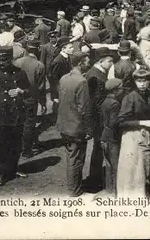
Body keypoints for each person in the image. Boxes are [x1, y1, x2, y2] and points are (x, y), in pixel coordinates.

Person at [0, 46, 31, 186]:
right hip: (0, 117)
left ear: (11, 59)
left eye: (4, 60)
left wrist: (21, 91)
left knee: (16, 145)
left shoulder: (20, 73)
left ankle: (13, 169)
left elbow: (29, 90)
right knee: (2, 147)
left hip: (16, 115)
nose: (1, 63)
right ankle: (1, 174)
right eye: (0, 60)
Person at [116, 68, 150, 197]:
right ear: (135, 81)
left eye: (145, 81)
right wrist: (142, 123)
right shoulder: (130, 98)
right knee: (133, 170)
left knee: (144, 168)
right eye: (139, 81)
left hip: (145, 136)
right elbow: (121, 122)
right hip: (132, 137)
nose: (142, 84)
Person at [57, 51, 92, 197]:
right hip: (76, 127)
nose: (88, 63)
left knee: (71, 156)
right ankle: (75, 190)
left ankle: (73, 187)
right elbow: (84, 108)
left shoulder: (64, 78)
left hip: (64, 125)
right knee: (76, 159)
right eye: (87, 61)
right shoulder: (82, 82)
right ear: (80, 63)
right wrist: (88, 129)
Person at [86, 47, 115, 188]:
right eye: (109, 61)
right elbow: (98, 102)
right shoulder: (97, 77)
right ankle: (95, 180)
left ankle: (95, 178)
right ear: (101, 61)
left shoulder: (95, 72)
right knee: (98, 149)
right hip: (99, 120)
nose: (111, 64)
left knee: (98, 149)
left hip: (96, 119)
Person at [14, 39, 46, 158]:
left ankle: (19, 147)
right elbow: (41, 87)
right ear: (37, 50)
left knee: (19, 122)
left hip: (17, 97)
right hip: (31, 98)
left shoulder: (17, 62)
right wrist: (43, 103)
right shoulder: (39, 65)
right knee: (29, 123)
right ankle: (27, 150)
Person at [99, 78, 124, 196]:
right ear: (115, 90)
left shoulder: (105, 101)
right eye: (121, 88)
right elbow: (114, 123)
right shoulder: (115, 103)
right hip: (112, 139)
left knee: (108, 166)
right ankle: (116, 193)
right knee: (116, 166)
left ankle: (109, 190)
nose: (123, 90)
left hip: (104, 137)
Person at [49, 37, 74, 119]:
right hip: (60, 88)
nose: (73, 49)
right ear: (63, 49)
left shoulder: (66, 58)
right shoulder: (58, 61)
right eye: (70, 47)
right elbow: (54, 78)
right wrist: (56, 93)